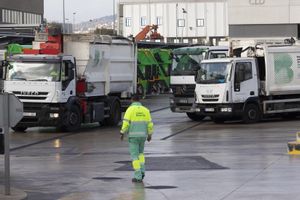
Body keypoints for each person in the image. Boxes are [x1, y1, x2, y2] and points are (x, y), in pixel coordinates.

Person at [120, 94, 154, 183]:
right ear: (140, 100)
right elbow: (150, 124)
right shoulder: (145, 110)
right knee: (141, 154)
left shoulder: (130, 110)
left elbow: (126, 123)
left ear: (132, 100)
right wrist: (150, 135)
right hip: (143, 136)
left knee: (135, 157)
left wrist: (122, 132)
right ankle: (142, 171)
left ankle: (138, 176)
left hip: (133, 137)